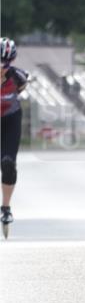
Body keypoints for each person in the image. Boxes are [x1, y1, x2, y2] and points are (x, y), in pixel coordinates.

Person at [1, 38, 30, 230]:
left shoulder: (19, 77)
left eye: (6, 64)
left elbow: (20, 91)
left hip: (11, 120)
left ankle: (5, 208)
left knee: (8, 163)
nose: (2, 68)